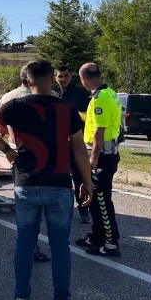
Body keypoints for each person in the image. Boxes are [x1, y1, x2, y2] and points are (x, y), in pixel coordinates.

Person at [0, 60, 93, 300]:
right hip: (59, 184)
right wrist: (86, 182)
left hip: (26, 184)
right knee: (60, 247)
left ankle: (21, 299)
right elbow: (79, 149)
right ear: (52, 79)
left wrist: (8, 151)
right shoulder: (67, 108)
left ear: (28, 81)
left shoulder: (14, 105)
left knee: (25, 243)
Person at [0, 66, 60, 263]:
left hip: (18, 155)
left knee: (24, 205)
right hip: (48, 157)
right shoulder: (52, 96)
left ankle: (27, 247)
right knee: (49, 204)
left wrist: (7, 149)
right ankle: (45, 247)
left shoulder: (8, 97)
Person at [76, 63, 123, 257]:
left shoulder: (99, 98)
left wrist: (92, 160)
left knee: (102, 199)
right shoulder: (110, 93)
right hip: (107, 153)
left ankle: (111, 243)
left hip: (102, 156)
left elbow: (99, 132)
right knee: (94, 198)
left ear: (83, 79)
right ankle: (97, 236)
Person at [55, 65, 92, 225]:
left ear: (71, 77)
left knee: (79, 176)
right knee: (59, 176)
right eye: (60, 76)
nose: (63, 78)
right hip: (58, 143)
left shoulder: (81, 93)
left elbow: (88, 117)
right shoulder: (53, 94)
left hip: (76, 141)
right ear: (55, 78)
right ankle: (60, 208)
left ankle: (83, 209)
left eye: (66, 75)